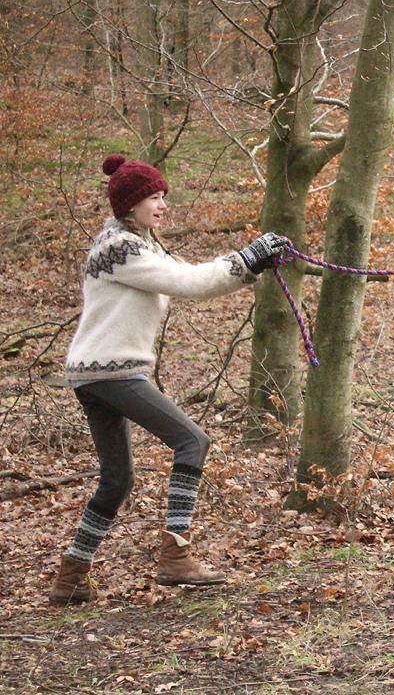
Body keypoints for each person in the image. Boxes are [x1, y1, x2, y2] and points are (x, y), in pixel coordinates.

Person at [49, 154, 289, 605]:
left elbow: (192, 275)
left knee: (117, 481)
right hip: (111, 371)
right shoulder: (120, 247)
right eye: (154, 198)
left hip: (97, 372)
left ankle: (71, 576)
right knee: (192, 441)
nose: (162, 206)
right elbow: (187, 281)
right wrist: (247, 259)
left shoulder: (138, 243)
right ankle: (175, 555)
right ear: (130, 204)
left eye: (163, 197)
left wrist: (253, 264)